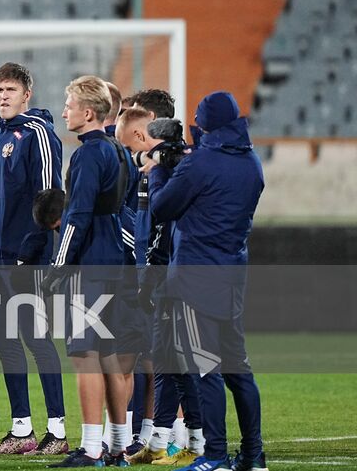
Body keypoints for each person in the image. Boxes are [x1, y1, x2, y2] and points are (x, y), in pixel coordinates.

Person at [147, 93, 266, 471]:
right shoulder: (252, 162)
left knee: (205, 370)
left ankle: (215, 455)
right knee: (239, 371)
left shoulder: (199, 164)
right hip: (232, 276)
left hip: (195, 278)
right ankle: (253, 456)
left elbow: (162, 208)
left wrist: (160, 169)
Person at [0, 62, 69, 455]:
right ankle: (21, 430)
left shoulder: (39, 135)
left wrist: (28, 253)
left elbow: (50, 199)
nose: (3, 96)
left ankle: (58, 432)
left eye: (10, 89)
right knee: (4, 340)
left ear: (27, 94)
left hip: (24, 260)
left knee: (36, 338)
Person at [45, 76, 137, 468]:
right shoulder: (121, 152)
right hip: (119, 263)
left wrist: (58, 265)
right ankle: (118, 446)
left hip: (92, 270)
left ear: (87, 113)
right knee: (115, 358)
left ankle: (92, 447)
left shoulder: (86, 155)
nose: (64, 111)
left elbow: (77, 217)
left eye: (68, 105)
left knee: (86, 355)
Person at [116, 105, 204, 468]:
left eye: (138, 147)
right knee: (168, 363)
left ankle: (198, 441)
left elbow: (162, 231)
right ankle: (163, 438)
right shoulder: (159, 172)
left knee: (183, 364)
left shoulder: (175, 176)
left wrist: (149, 274)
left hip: (170, 278)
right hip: (157, 275)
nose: (139, 157)